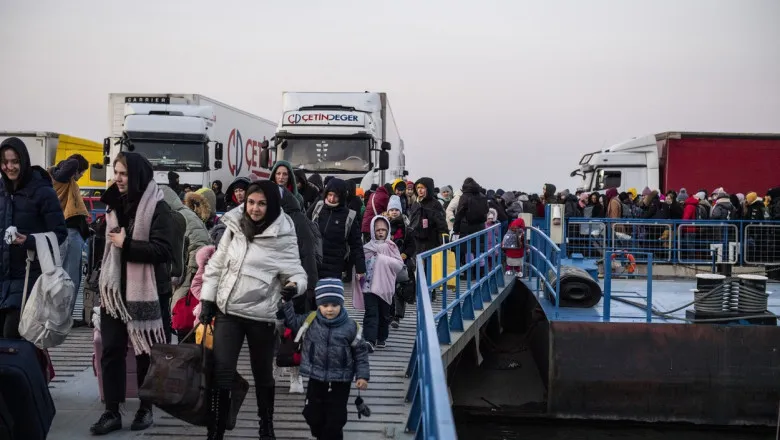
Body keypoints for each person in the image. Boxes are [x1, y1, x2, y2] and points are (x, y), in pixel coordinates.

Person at [199, 180, 307, 440]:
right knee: (222, 373)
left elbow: (297, 272)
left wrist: (294, 286)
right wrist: (207, 300)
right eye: (250, 202)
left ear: (272, 205)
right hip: (228, 311)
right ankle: (215, 431)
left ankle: (266, 426)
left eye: (261, 203)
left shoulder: (283, 234)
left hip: (261, 314)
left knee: (263, 375)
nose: (255, 208)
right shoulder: (234, 225)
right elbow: (216, 265)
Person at [91, 152, 174, 435]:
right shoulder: (112, 204)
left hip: (149, 291)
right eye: (116, 172)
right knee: (111, 350)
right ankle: (112, 411)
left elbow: (163, 250)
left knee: (145, 352)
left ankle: (145, 407)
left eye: (124, 173)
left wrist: (127, 244)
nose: (118, 178)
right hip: (115, 291)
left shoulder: (158, 207)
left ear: (137, 175)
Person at [281, 278, 369, 440]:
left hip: (341, 379)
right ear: (318, 304)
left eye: (334, 305)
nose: (329, 309)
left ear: (341, 304)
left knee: (336, 418)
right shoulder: (310, 320)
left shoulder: (351, 327)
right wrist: (287, 302)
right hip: (316, 376)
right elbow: (292, 322)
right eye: (325, 305)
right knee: (312, 415)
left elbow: (360, 353)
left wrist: (362, 376)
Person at [0, 137, 67, 338]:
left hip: (29, 278)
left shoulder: (42, 192)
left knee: (13, 336)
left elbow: (59, 233)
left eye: (14, 161)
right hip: (3, 278)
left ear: (24, 160)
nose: (9, 167)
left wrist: (29, 241)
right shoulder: (1, 190)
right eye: (4, 162)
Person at [48, 153, 91, 317]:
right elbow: (72, 163)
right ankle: (63, 316)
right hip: (68, 232)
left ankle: (62, 315)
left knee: (68, 275)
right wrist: (70, 166)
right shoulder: (61, 178)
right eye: (81, 173)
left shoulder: (61, 178)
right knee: (69, 276)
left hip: (70, 232)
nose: (81, 177)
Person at [354, 216, 404, 352]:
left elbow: (399, 265)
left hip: (385, 286)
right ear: (372, 231)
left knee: (384, 313)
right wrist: (358, 272)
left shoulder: (391, 247)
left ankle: (381, 337)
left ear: (388, 230)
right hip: (369, 286)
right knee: (371, 313)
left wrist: (382, 259)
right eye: (377, 230)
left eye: (383, 230)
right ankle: (369, 340)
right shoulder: (367, 248)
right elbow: (360, 262)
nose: (381, 232)